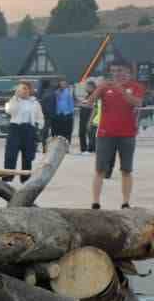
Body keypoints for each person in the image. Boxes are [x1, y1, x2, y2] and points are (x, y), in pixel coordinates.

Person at [88, 59, 144, 210]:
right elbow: (88, 102)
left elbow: (137, 102)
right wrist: (97, 90)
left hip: (127, 134)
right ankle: (95, 202)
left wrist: (121, 89)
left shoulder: (136, 87)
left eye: (119, 70)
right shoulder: (105, 87)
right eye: (113, 71)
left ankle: (125, 202)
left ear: (128, 71)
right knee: (100, 169)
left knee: (126, 169)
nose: (116, 74)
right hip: (105, 134)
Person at [3, 80, 45, 184]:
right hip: (15, 128)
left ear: (30, 90)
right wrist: (16, 98)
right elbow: (9, 111)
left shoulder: (35, 103)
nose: (23, 91)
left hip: (29, 129)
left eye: (25, 89)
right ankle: (8, 177)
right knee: (11, 155)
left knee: (27, 156)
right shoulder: (13, 100)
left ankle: (25, 179)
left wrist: (38, 127)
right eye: (21, 89)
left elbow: (40, 117)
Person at [50, 76, 76, 145]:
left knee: (67, 131)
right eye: (61, 84)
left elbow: (71, 103)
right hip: (57, 114)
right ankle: (56, 144)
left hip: (67, 114)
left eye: (64, 84)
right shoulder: (55, 92)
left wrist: (71, 112)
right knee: (57, 131)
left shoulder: (68, 92)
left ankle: (66, 145)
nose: (63, 85)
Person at [77, 78, 98, 154]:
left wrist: (82, 105)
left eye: (88, 87)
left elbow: (94, 107)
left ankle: (90, 149)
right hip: (82, 117)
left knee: (90, 133)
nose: (86, 88)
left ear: (93, 87)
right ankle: (83, 149)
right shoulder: (86, 96)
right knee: (81, 133)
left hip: (89, 117)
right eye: (86, 87)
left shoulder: (95, 95)